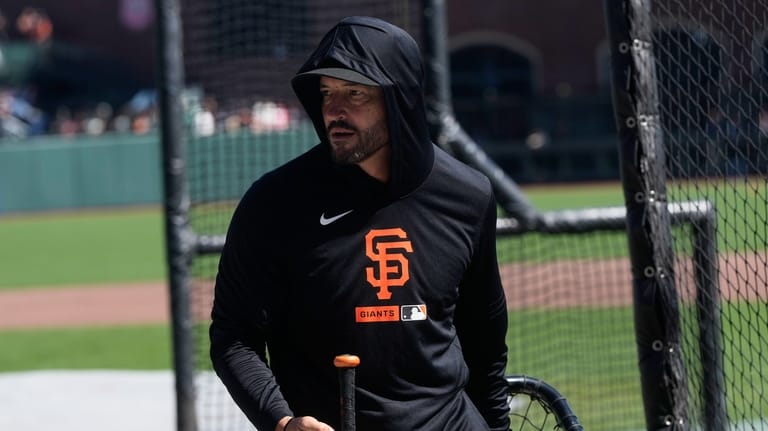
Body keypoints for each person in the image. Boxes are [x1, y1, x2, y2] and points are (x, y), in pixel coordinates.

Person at [210, 16, 510, 431]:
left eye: (355, 92)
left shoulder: (469, 196)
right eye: (327, 92)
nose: (334, 110)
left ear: (399, 99)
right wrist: (281, 423)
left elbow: (485, 346)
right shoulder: (273, 203)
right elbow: (233, 336)